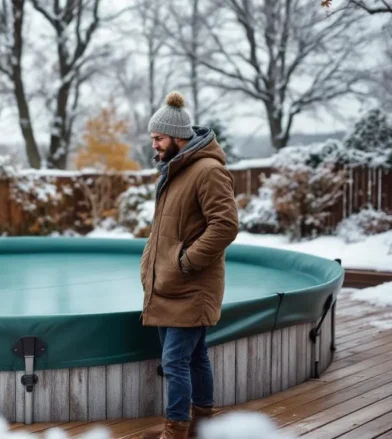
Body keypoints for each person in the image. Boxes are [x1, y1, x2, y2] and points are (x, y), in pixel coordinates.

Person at [139, 91, 239, 439]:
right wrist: (152, 264)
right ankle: (203, 421)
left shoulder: (208, 171)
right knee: (195, 357)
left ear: (178, 137)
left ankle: (176, 430)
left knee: (175, 361)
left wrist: (186, 262)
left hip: (191, 285)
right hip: (169, 285)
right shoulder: (176, 169)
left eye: (158, 138)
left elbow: (225, 225)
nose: (154, 144)